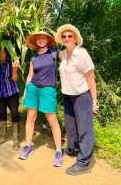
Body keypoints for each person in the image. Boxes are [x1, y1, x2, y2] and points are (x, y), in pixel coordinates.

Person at [55, 24, 99, 175]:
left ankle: (84, 163)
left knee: (84, 128)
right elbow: (50, 54)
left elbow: (91, 78)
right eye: (64, 36)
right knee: (70, 126)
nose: (67, 38)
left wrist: (94, 100)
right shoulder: (63, 54)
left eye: (70, 36)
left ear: (75, 39)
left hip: (82, 96)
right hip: (68, 95)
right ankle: (73, 149)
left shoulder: (81, 54)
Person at [19, 31, 63, 167]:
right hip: (33, 89)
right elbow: (29, 76)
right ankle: (28, 146)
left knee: (52, 120)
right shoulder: (34, 58)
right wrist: (26, 91)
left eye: (43, 38)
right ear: (36, 42)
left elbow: (70, 57)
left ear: (48, 40)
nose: (41, 40)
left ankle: (59, 151)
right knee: (30, 117)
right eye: (39, 39)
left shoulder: (55, 53)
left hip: (48, 89)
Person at [0, 49, 20, 149]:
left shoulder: (12, 61)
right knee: (1, 113)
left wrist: (15, 69)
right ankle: (2, 137)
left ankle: (16, 138)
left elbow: (15, 79)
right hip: (0, 93)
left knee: (14, 113)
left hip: (12, 92)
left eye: (3, 52)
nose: (1, 54)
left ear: (7, 52)